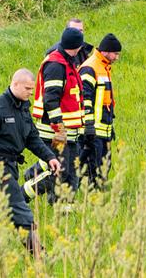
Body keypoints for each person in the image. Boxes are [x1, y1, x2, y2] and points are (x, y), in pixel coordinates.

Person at [0, 69, 62, 250]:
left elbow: (32, 138)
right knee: (19, 208)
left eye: (32, 89)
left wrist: (50, 157)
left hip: (11, 166)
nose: (31, 92)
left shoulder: (23, 108)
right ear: (15, 84)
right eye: (28, 88)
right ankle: (39, 255)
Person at [30, 27, 85, 201]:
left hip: (69, 132)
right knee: (59, 172)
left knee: (70, 173)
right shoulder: (56, 65)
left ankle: (64, 208)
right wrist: (59, 128)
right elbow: (50, 100)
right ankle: (23, 192)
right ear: (77, 47)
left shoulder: (66, 61)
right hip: (56, 132)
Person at [78, 34, 121, 188]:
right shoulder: (90, 68)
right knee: (92, 164)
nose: (117, 58)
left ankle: (98, 191)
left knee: (104, 164)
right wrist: (89, 125)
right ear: (106, 51)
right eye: (115, 54)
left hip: (104, 127)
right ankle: (90, 194)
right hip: (93, 128)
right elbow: (85, 98)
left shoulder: (102, 67)